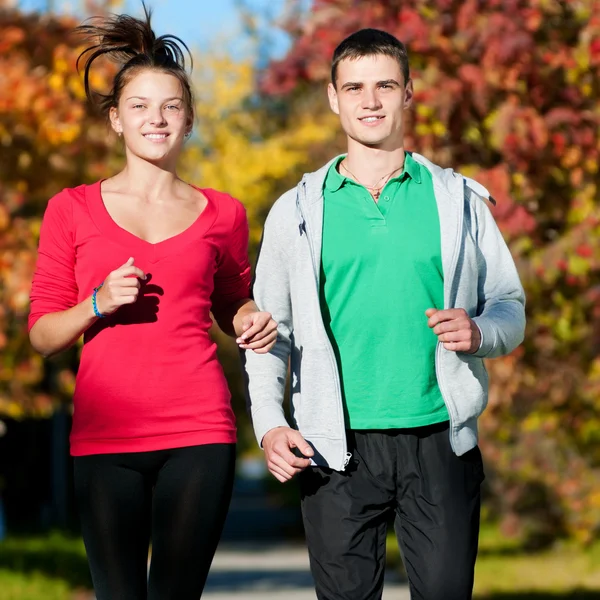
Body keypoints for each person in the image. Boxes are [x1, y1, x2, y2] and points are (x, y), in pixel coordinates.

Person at [244, 28, 525, 600]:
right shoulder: (296, 210)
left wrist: (480, 331)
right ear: (332, 98)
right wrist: (271, 423)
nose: (369, 101)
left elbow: (509, 305)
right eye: (354, 88)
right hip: (333, 447)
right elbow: (270, 332)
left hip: (440, 440)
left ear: (408, 93)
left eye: (384, 86)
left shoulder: (459, 201)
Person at [28, 5, 277, 599]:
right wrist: (97, 303)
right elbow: (42, 334)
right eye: (139, 106)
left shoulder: (224, 213)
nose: (155, 119)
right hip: (105, 435)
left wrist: (248, 319)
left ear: (189, 121)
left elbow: (231, 301)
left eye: (171, 107)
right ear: (116, 120)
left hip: (199, 428)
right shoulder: (72, 208)